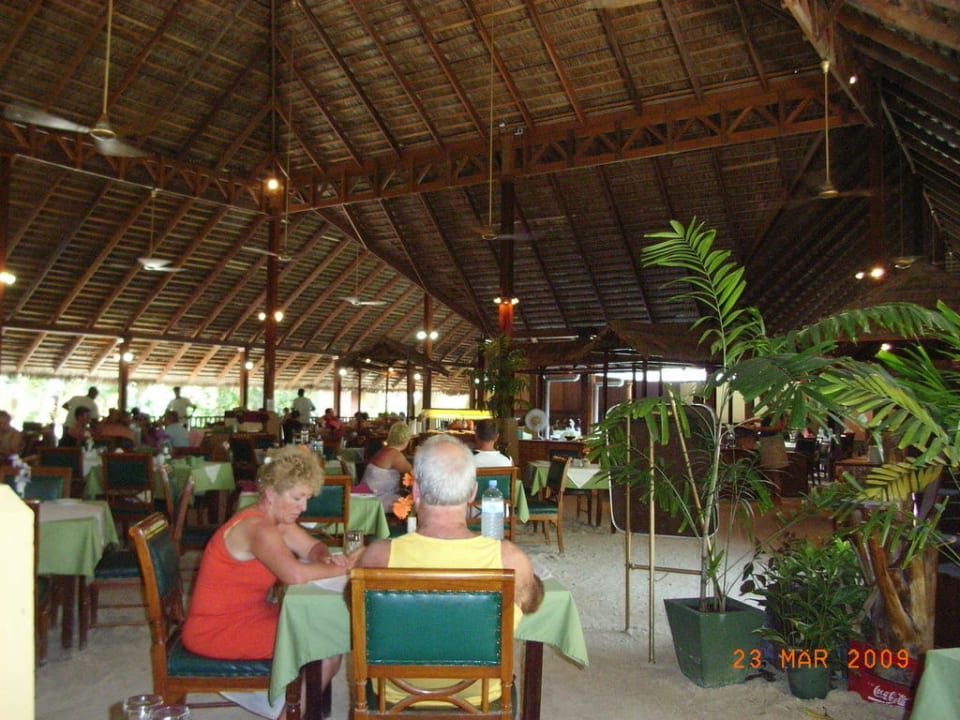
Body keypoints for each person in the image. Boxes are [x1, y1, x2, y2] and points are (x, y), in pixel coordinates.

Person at [358, 434, 543, 706]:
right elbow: (532, 602)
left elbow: (356, 608)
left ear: (416, 491)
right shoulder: (510, 560)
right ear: (472, 493)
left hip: (395, 698)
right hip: (479, 700)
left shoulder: (378, 556)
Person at [183, 446, 360, 718]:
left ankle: (301, 708)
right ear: (270, 493)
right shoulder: (258, 529)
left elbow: (313, 548)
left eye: (307, 498)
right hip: (216, 629)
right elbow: (294, 575)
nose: (304, 507)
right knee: (323, 642)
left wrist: (325, 558)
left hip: (250, 614)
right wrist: (343, 569)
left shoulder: (276, 521)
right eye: (297, 498)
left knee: (324, 634)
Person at [359, 421, 412, 513]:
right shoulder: (394, 454)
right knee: (413, 503)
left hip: (365, 496)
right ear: (406, 439)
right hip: (376, 499)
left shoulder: (385, 450)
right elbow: (415, 473)